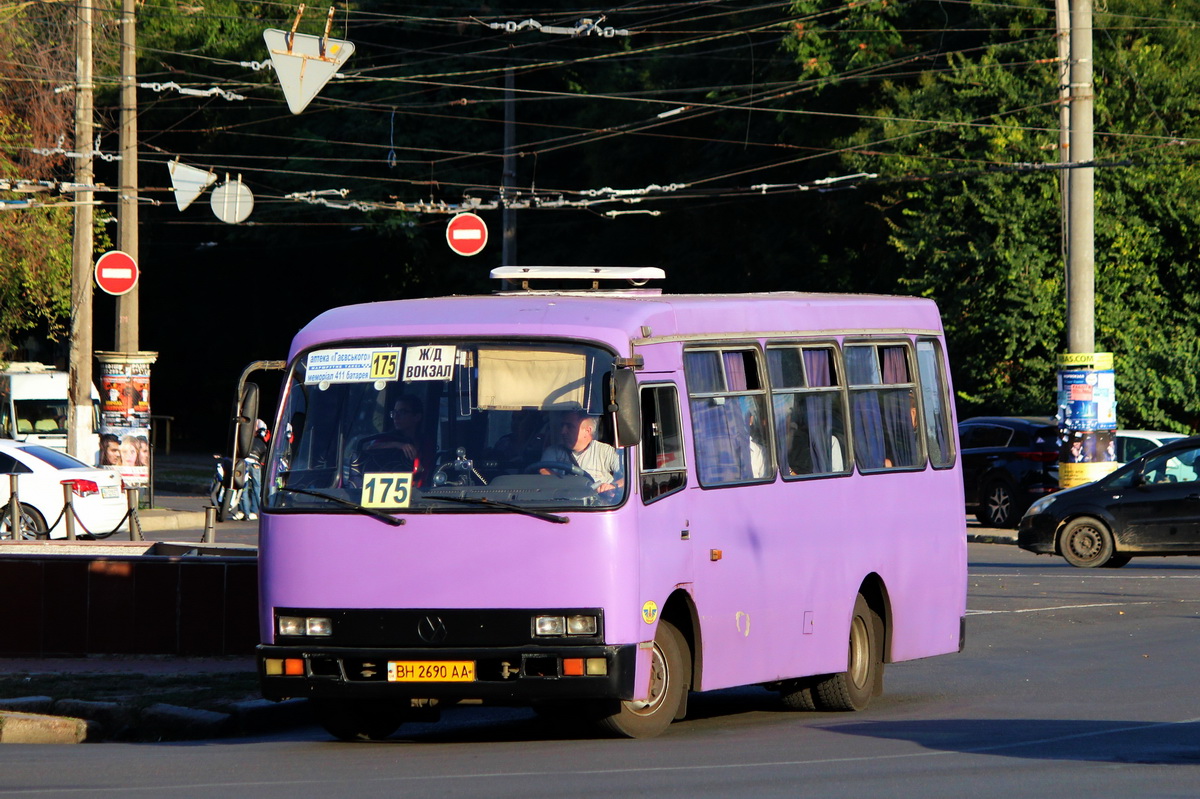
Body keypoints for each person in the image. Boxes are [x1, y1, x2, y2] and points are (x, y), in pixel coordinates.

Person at [539, 411, 623, 493]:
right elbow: (543, 473)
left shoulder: (605, 451)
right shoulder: (553, 452)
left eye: (569, 426)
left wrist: (613, 486)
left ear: (587, 431)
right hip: (562, 503)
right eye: (562, 426)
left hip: (597, 504)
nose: (563, 431)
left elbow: (630, 476)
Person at [356, 395, 432, 477]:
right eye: (394, 413)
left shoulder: (425, 443)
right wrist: (397, 445)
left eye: (402, 412)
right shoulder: (387, 438)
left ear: (417, 417)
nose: (396, 417)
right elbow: (370, 449)